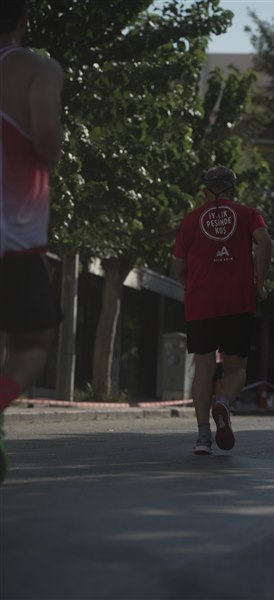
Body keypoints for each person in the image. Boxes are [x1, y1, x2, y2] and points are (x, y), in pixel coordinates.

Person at [0, 0, 64, 483]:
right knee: (32, 345)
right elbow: (45, 134)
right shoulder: (39, 69)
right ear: (24, 19)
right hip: (15, 237)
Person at [174, 165, 272, 454]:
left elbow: (179, 266)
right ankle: (224, 402)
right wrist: (259, 283)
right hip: (238, 301)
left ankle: (203, 437)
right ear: (232, 189)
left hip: (200, 303)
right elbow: (265, 241)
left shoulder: (190, 220)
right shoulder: (248, 213)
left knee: (203, 368)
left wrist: (192, 287)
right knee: (236, 367)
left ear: (206, 191)